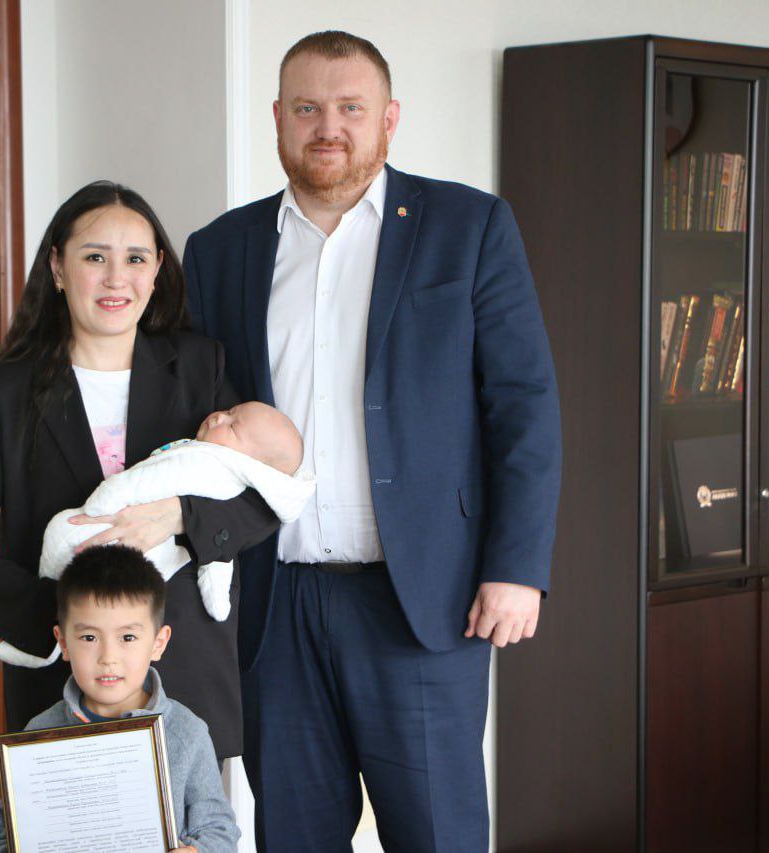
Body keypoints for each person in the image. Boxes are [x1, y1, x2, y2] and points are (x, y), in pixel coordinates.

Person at [182, 30, 562, 850]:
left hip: (422, 600)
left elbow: (523, 405)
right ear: (278, 118)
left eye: (351, 108)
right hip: (274, 606)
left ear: (389, 119)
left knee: (437, 834)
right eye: (308, 108)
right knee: (294, 835)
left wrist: (516, 566)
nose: (329, 127)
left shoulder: (469, 226)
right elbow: (200, 420)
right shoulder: (219, 250)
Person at [0, 181, 279, 761]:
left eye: (135, 259)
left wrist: (180, 516)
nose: (117, 278)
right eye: (94, 258)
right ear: (58, 269)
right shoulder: (5, 393)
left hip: (186, 681)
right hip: (60, 694)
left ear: (156, 270)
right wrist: (63, 615)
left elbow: (265, 494)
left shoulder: (200, 367)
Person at [0, 402, 309, 668]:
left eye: (233, 427)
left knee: (62, 528)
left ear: (248, 460)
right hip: (156, 557)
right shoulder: (217, 464)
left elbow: (151, 481)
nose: (219, 417)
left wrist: (102, 502)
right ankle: (49, 636)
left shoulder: (204, 462)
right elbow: (218, 556)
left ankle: (47, 638)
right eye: (229, 411)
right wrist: (217, 597)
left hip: (117, 529)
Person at [0, 546, 240, 853]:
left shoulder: (186, 733)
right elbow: (3, 834)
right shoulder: (40, 734)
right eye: (89, 638)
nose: (108, 657)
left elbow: (219, 830)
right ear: (63, 643)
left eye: (127, 637)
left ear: (158, 643)